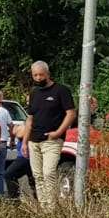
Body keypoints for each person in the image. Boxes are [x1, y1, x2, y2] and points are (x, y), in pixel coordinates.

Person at [25, 61, 75, 209]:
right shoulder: (34, 92)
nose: (38, 78)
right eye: (35, 75)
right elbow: (30, 118)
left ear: (48, 74)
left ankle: (52, 209)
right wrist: (24, 142)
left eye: (41, 74)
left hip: (52, 140)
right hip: (34, 140)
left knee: (49, 174)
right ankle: (44, 207)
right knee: (38, 176)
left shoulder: (61, 90)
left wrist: (59, 132)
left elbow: (71, 113)